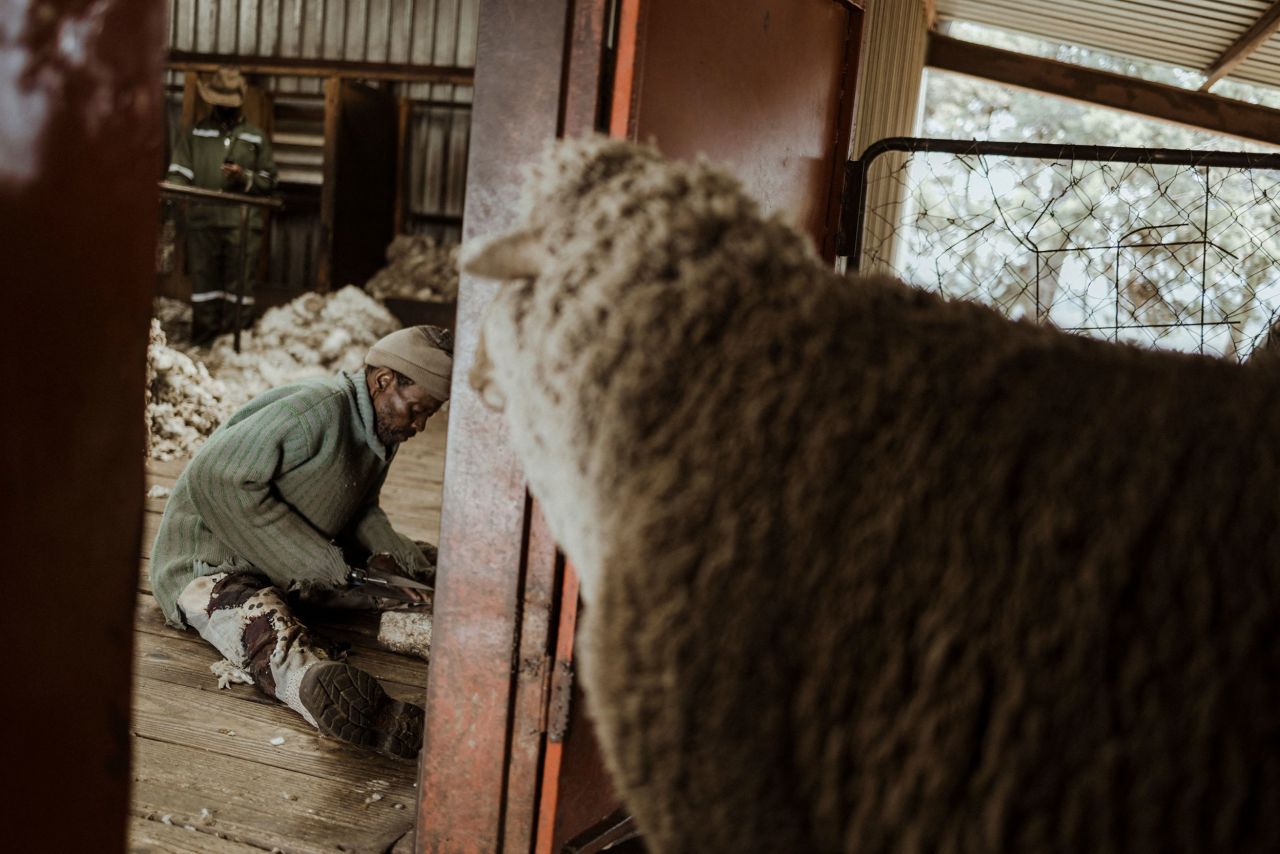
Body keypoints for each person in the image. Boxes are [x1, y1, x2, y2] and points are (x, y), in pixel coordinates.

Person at [150, 326, 453, 759]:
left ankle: (446, 614)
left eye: (429, 415)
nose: (420, 425)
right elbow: (215, 478)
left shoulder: (381, 430)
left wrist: (405, 565)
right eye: (418, 409)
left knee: (414, 565)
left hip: (291, 555)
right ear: (384, 381)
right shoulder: (315, 410)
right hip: (212, 561)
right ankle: (323, 691)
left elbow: (362, 509)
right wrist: (323, 563)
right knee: (261, 625)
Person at [166, 65, 278, 345]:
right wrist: (171, 188)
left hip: (241, 224)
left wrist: (244, 177)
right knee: (205, 286)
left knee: (238, 287)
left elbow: (269, 180)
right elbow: (180, 172)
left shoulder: (255, 137)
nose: (223, 108)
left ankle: (233, 346)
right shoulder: (196, 135)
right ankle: (204, 343)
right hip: (203, 221)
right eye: (218, 102)